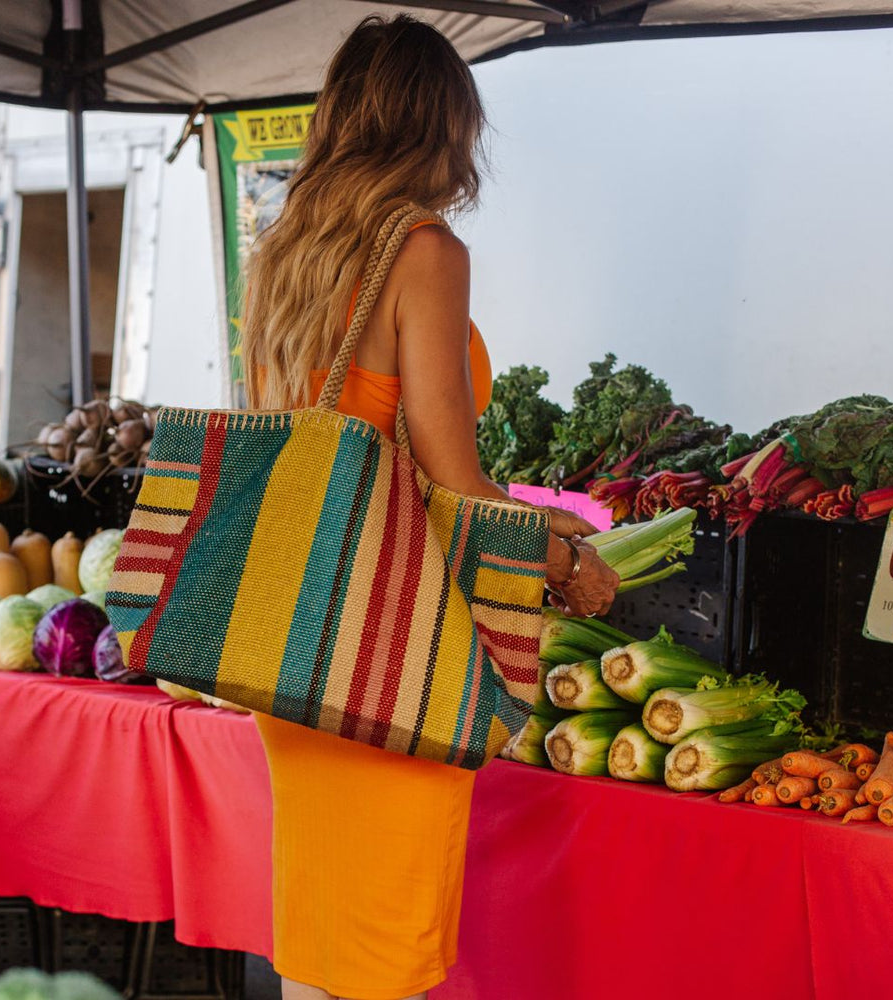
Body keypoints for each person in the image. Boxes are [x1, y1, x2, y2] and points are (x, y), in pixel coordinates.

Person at [243, 15, 619, 1000]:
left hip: (295, 634)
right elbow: (454, 482)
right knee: (386, 946)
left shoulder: (282, 253)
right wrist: (566, 566)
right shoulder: (423, 251)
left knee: (322, 939)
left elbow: (294, 442)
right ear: (444, 125)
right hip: (391, 643)